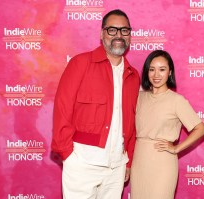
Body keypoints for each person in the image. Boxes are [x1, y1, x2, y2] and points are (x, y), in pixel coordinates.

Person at [51, 9, 140, 199]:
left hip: (116, 167)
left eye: (124, 30)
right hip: (82, 164)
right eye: (112, 30)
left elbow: (133, 123)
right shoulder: (80, 63)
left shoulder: (133, 76)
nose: (119, 35)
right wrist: (68, 155)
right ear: (102, 34)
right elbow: (62, 109)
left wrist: (128, 162)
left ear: (130, 35)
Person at [130, 50, 204, 199]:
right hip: (139, 161)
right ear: (146, 72)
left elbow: (200, 129)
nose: (156, 75)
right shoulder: (139, 97)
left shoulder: (176, 100)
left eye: (162, 69)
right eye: (152, 69)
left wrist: (177, 148)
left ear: (170, 72)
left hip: (162, 163)